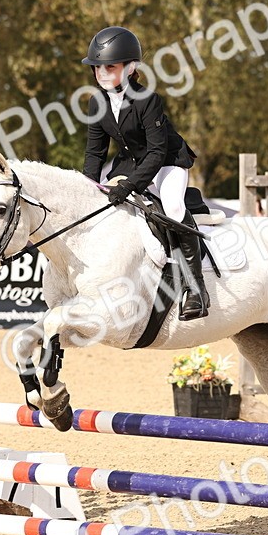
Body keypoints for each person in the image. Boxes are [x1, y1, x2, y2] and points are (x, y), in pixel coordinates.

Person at [80, 26, 206, 320]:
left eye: (110, 66)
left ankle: (196, 289)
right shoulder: (96, 102)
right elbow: (95, 152)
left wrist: (130, 185)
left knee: (173, 206)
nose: (102, 72)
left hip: (167, 161)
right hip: (131, 160)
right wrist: (87, 186)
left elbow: (157, 152)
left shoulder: (148, 99)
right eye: (98, 67)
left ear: (130, 67)